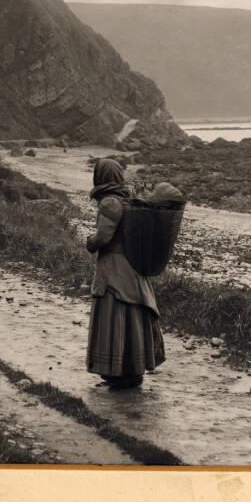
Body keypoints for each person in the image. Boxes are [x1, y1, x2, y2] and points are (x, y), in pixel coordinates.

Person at [85, 158, 165, 388]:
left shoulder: (109, 202)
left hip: (115, 267)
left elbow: (103, 237)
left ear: (100, 176)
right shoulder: (128, 198)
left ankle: (117, 372)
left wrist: (90, 242)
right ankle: (132, 371)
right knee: (133, 316)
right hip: (133, 267)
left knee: (115, 314)